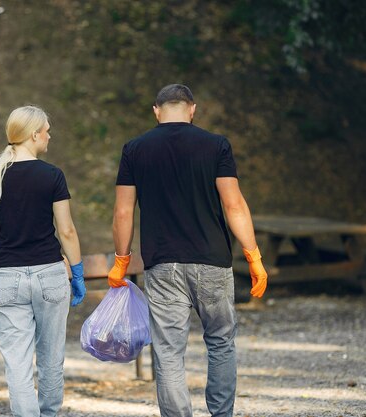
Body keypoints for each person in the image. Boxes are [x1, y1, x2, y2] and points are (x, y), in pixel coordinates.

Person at [107, 84, 267, 417]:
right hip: (212, 261)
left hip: (162, 264)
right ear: (192, 109)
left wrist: (121, 259)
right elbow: (233, 203)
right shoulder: (216, 146)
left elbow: (123, 211)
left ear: (156, 110)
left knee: (167, 352)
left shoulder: (134, 149)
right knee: (221, 341)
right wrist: (253, 256)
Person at [0, 105, 86, 417]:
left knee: (18, 363)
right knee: (51, 358)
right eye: (46, 130)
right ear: (34, 135)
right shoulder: (52, 176)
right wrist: (77, 272)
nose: (49, 135)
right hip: (50, 274)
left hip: (8, 280)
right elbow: (66, 230)